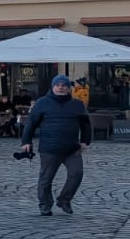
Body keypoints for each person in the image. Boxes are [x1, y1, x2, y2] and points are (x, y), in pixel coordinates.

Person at [20, 73, 92, 216]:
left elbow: (85, 124)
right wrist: (26, 141)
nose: (60, 88)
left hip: (71, 148)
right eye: (58, 85)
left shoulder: (77, 104)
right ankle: (45, 204)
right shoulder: (42, 103)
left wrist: (85, 141)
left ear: (68, 88)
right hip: (49, 148)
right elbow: (31, 123)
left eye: (64, 85)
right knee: (46, 179)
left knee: (76, 174)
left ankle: (64, 200)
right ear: (53, 87)